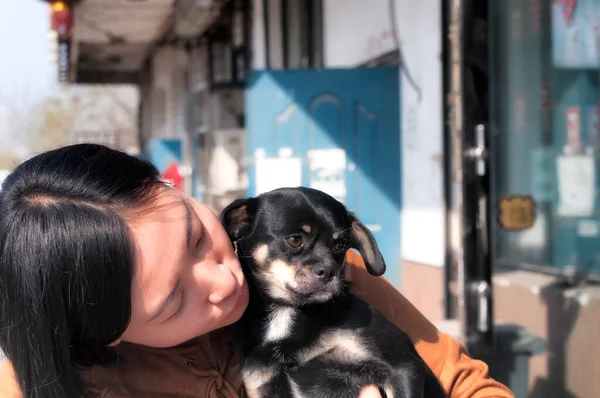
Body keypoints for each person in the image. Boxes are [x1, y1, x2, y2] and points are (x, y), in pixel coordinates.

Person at [0, 144, 513, 398]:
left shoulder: (330, 280)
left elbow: (469, 385)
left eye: (197, 236)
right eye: (173, 301)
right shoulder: (49, 384)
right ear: (102, 336)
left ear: (171, 186)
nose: (225, 281)